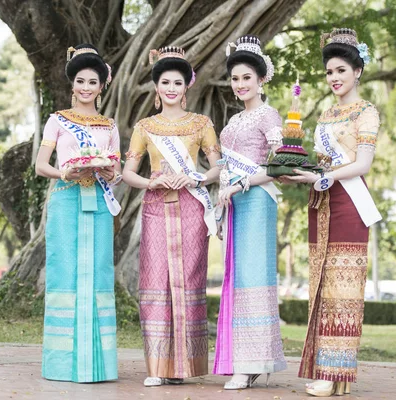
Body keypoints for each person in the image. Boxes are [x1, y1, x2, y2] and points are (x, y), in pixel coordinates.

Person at [279, 28, 382, 397]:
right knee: (321, 288)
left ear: (357, 71)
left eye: (341, 70)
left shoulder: (367, 112)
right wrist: (299, 176)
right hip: (321, 203)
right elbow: (320, 165)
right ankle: (329, 371)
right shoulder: (325, 114)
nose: (334, 78)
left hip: (349, 203)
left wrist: (320, 176)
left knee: (344, 288)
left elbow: (362, 164)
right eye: (329, 72)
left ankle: (337, 373)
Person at [121, 46, 221, 386]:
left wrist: (197, 177)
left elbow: (218, 165)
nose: (171, 88)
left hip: (192, 205)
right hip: (155, 207)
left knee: (189, 279)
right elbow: (128, 172)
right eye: (165, 82)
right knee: (156, 280)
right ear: (157, 86)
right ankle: (158, 366)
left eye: (177, 82)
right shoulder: (145, 126)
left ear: (187, 86)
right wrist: (154, 179)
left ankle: (184, 366)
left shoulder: (201, 123)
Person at [35, 44, 122, 383]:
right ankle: (61, 364)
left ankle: (99, 363)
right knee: (64, 272)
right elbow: (42, 165)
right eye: (81, 81)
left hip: (99, 202)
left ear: (103, 86)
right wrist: (65, 173)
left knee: (99, 272)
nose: (86, 88)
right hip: (67, 197)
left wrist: (109, 171)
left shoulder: (109, 125)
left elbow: (114, 168)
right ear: (72, 84)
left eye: (93, 82)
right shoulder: (57, 120)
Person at [213, 35, 287, 390]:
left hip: (257, 201)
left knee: (254, 279)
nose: (240, 84)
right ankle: (251, 360)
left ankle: (253, 362)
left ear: (261, 79)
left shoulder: (268, 114)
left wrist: (240, 185)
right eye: (235, 78)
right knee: (239, 279)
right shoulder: (234, 119)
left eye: (247, 77)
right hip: (236, 204)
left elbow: (280, 165)